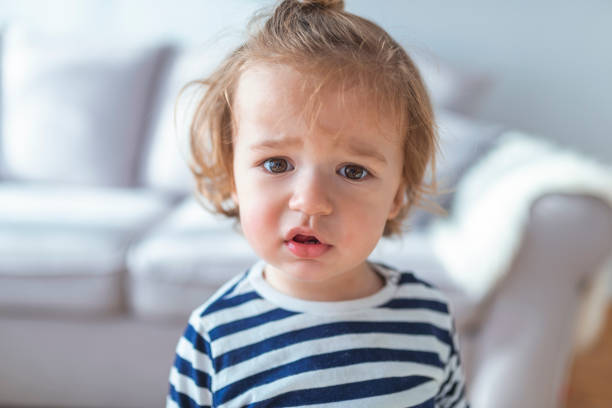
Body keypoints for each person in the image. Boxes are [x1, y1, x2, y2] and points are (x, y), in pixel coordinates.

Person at [166, 0, 469, 406]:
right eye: (276, 163)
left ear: (398, 194)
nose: (310, 201)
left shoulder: (427, 319)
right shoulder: (215, 334)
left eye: (353, 171)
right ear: (232, 177)